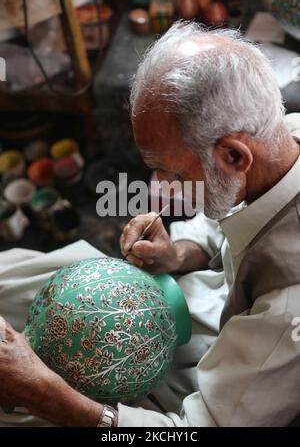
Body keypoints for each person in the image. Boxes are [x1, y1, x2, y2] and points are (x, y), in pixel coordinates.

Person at [1, 22, 300, 427]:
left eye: (170, 172)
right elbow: (235, 213)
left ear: (233, 156)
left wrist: (42, 394)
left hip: (238, 372)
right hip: (221, 300)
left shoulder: (288, 309)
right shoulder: (283, 137)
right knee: (20, 276)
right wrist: (179, 254)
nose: (159, 189)